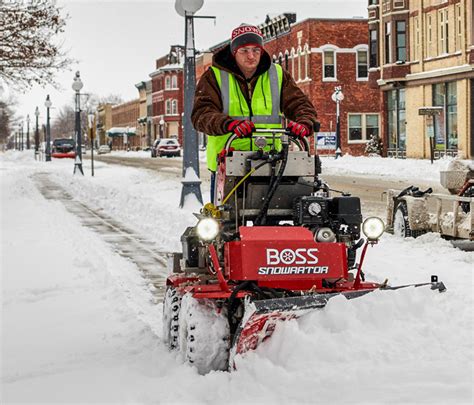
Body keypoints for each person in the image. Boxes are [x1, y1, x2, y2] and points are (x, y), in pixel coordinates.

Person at [192, 23, 318, 202]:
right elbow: (201, 115)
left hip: (271, 162)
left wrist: (304, 123)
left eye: (255, 50)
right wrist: (230, 124)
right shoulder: (214, 76)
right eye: (244, 50)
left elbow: (299, 103)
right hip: (229, 163)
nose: (251, 56)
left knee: (278, 216)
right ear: (234, 52)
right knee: (226, 221)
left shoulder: (277, 75)